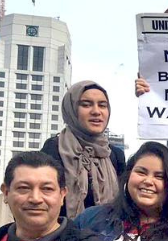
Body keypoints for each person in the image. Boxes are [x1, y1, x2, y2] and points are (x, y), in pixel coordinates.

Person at [40, 80, 126, 218]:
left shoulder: (115, 155)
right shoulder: (54, 148)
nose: (96, 111)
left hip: (106, 236)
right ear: (72, 109)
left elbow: (125, 202)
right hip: (64, 236)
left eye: (102, 105)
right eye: (86, 105)